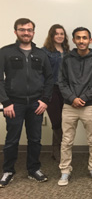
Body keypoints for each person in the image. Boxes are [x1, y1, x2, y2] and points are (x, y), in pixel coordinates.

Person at [0, 18, 53, 187]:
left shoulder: (41, 54)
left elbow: (50, 78)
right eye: (22, 29)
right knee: (12, 140)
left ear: (33, 33)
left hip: (36, 104)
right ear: (15, 31)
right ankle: (8, 170)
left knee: (35, 139)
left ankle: (33, 169)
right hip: (14, 104)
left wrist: (45, 100)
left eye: (29, 30)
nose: (26, 32)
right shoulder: (5, 52)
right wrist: (5, 102)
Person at [58, 27, 92, 186]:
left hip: (89, 105)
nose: (81, 41)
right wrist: (72, 98)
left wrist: (83, 98)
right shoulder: (66, 58)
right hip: (69, 105)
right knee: (66, 140)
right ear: (73, 40)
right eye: (78, 38)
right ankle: (65, 171)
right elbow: (61, 82)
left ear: (90, 40)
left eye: (84, 38)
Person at [42, 24, 70, 162]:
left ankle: (56, 149)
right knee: (56, 120)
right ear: (51, 35)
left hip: (65, 89)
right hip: (51, 89)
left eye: (62, 34)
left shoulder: (67, 51)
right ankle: (59, 151)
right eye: (57, 33)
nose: (59, 36)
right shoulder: (45, 52)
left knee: (64, 120)